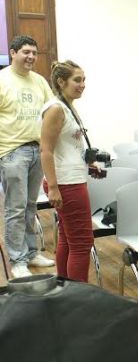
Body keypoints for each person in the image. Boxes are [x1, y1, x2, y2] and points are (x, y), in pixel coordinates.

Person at [40, 60, 103, 282]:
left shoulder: (67, 106)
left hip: (70, 179)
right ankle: (78, 301)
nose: (83, 84)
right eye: (77, 79)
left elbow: (66, 148)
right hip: (66, 183)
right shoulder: (56, 109)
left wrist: (88, 165)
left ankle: (64, 290)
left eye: (84, 79)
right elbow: (45, 150)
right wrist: (54, 187)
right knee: (82, 243)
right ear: (61, 81)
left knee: (68, 239)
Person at [0, 35, 56, 279]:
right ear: (13, 53)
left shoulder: (40, 81)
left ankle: (31, 252)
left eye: (34, 52)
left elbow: (53, 110)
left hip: (37, 149)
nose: (31, 56)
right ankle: (17, 260)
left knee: (30, 206)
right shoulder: (2, 80)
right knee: (15, 207)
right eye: (25, 52)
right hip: (12, 152)